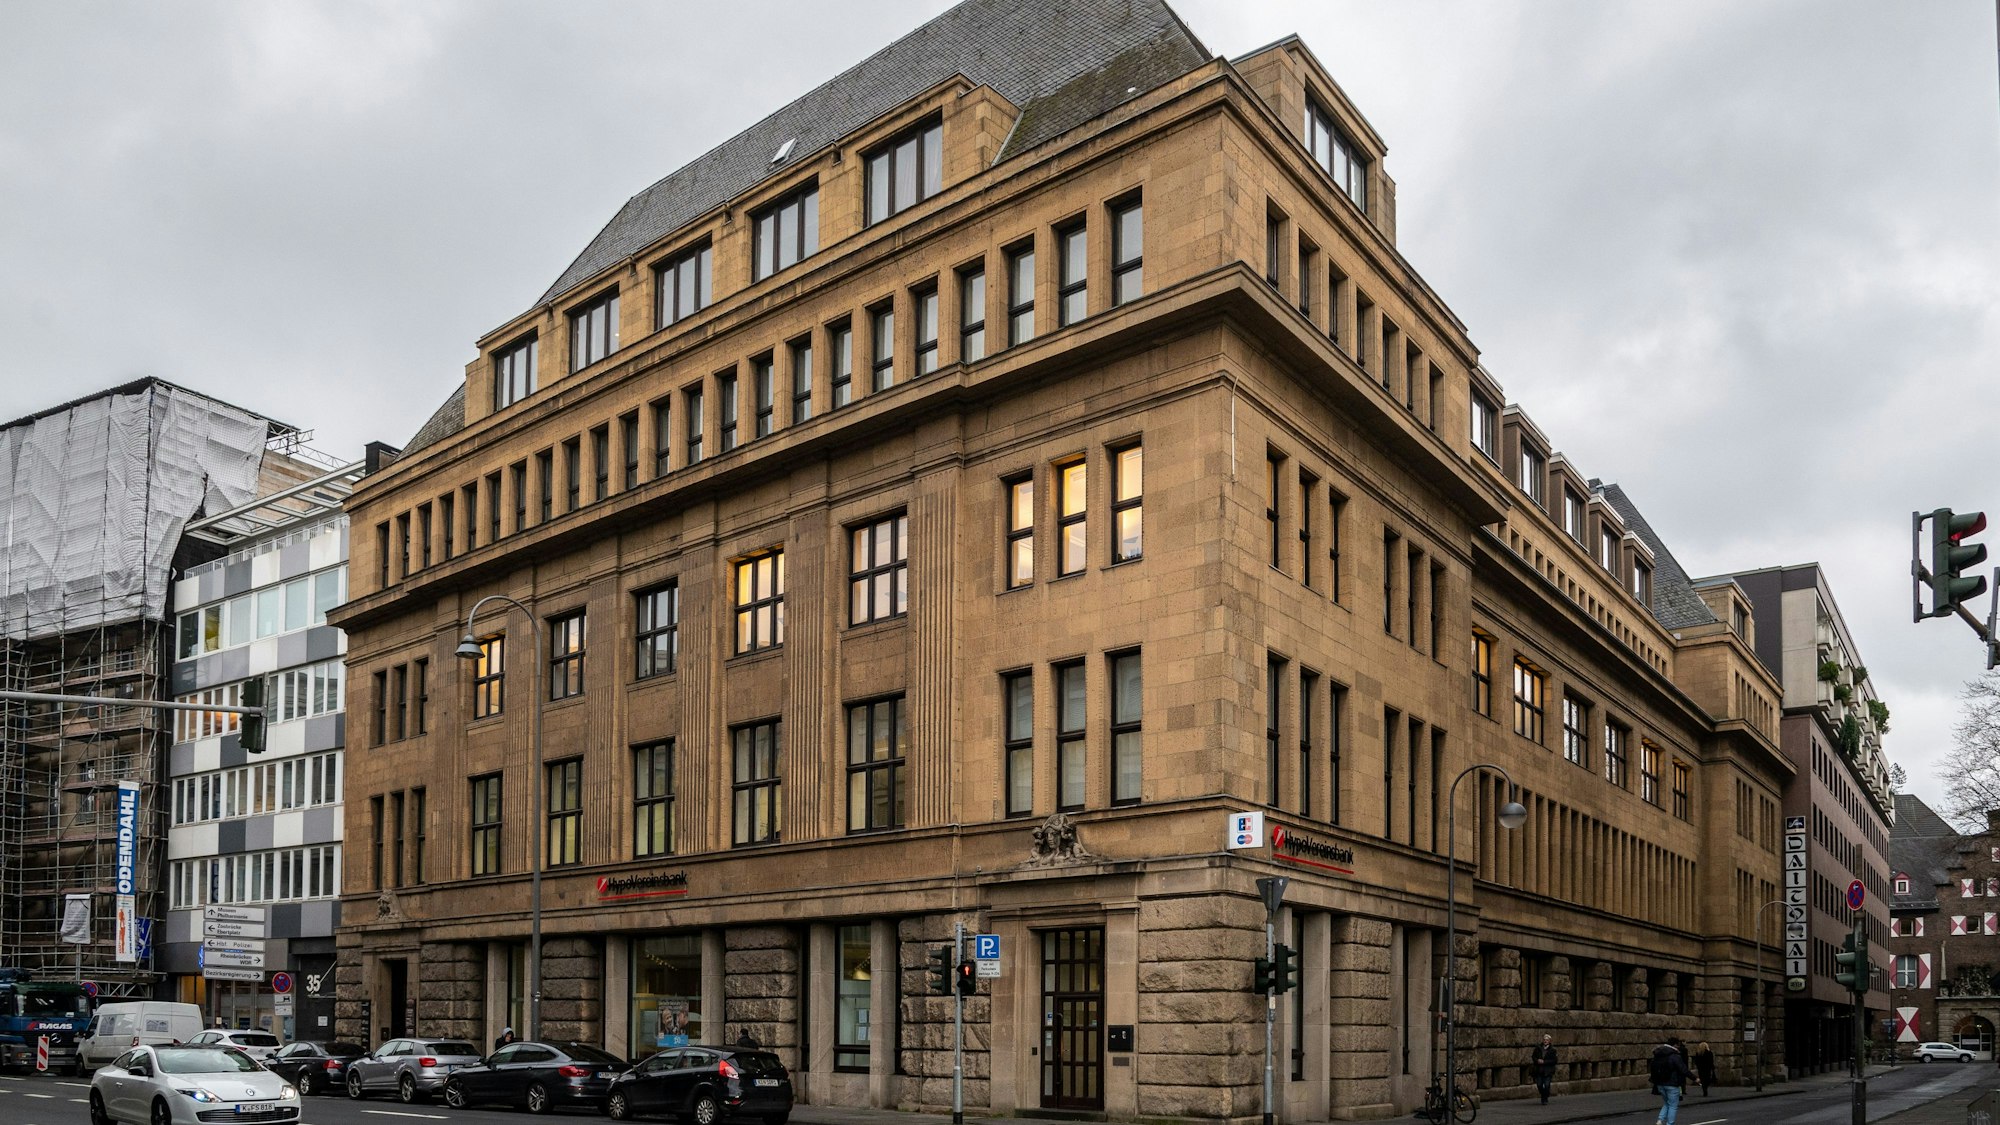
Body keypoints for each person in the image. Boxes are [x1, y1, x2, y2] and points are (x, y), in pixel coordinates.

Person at [1649, 1037, 1692, 1125]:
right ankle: (1670, 1123)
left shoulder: (1658, 1053)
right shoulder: (1674, 1055)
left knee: (1666, 1103)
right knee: (1673, 1105)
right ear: (1675, 1045)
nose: (1679, 1047)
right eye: (1678, 1045)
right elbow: (1683, 1069)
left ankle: (1660, 1120)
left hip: (1660, 1083)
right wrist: (1695, 1078)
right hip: (1672, 1083)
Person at [1530, 1034, 1558, 1104]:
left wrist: (1544, 1062)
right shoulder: (1538, 1048)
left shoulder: (1553, 1050)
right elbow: (1533, 1057)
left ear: (1549, 1041)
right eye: (1544, 1040)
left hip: (1548, 1071)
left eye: (1547, 1040)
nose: (1545, 1041)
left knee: (1546, 1085)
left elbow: (1554, 1061)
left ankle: (1544, 1098)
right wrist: (1537, 1060)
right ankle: (1544, 1095)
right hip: (1539, 1070)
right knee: (1539, 1085)